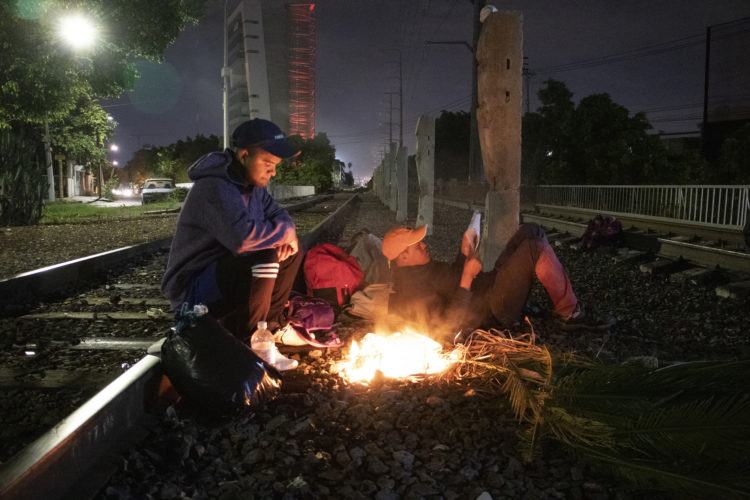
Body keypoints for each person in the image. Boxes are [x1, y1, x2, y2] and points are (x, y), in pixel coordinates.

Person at [162, 118, 303, 346]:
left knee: (292, 251)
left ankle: (269, 330)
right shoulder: (215, 187)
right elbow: (242, 239)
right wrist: (285, 233)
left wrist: (288, 232)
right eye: (268, 161)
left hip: (226, 276)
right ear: (244, 156)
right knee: (265, 256)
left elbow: (279, 213)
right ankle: (249, 343)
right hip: (193, 290)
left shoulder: (254, 186)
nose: (273, 171)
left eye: (276, 164)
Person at [381, 223, 614, 343]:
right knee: (533, 248)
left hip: (489, 287)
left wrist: (464, 253)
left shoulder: (421, 266)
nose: (424, 245)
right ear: (403, 257)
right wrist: (467, 278)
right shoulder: (412, 291)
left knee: (531, 230)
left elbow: (449, 277)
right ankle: (570, 313)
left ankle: (559, 297)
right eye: (417, 245)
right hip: (494, 309)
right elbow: (446, 327)